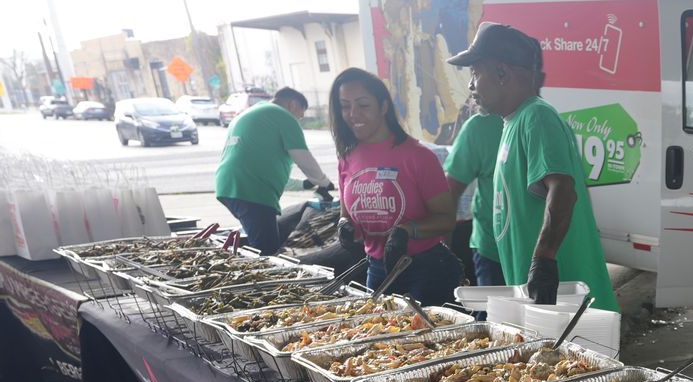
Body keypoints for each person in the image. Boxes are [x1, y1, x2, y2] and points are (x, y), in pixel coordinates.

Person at [446, 23, 619, 311]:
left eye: (476, 72)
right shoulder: (511, 122)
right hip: (541, 297)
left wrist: (544, 258)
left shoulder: (537, 117)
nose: (470, 84)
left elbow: (563, 189)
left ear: (502, 72)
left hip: (566, 298)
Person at [328, 67, 462, 305]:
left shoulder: (418, 157)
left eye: (363, 105)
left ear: (383, 107)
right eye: (345, 105)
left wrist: (407, 231)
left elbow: (446, 219)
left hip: (426, 270)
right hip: (376, 271)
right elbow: (347, 216)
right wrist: (345, 228)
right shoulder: (346, 158)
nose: (353, 113)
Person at [214, 87, 331, 255]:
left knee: (261, 243)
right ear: (292, 104)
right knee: (267, 252)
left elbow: (267, 173)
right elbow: (303, 157)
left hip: (229, 188)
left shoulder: (253, 114)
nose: (301, 117)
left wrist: (305, 184)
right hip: (251, 192)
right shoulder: (282, 116)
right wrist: (324, 182)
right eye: (301, 112)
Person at [443, 102, 505, 287]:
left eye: (477, 73)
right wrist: (445, 252)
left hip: (543, 253)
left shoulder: (544, 120)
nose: (471, 84)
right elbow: (450, 191)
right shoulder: (479, 126)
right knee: (492, 315)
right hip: (493, 252)